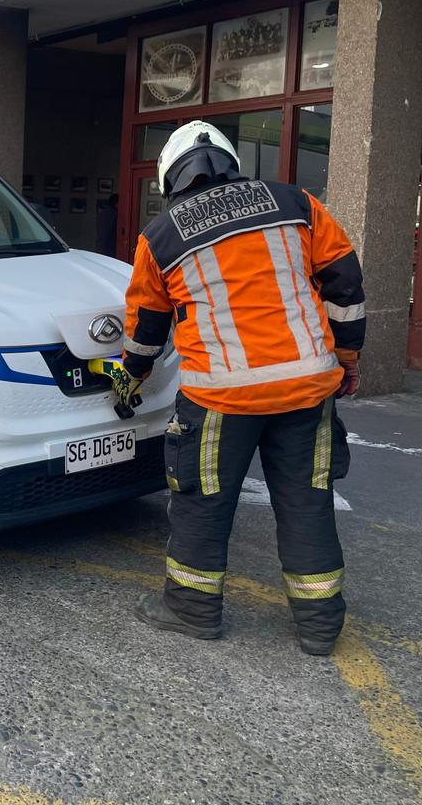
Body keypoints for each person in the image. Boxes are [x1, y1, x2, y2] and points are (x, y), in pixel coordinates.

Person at [112, 121, 364, 656]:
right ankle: (320, 625)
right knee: (307, 499)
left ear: (170, 178)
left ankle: (191, 609)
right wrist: (346, 359)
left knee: (202, 500)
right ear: (230, 162)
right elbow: (344, 282)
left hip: (220, 399)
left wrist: (128, 381)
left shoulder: (160, 236)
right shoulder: (296, 203)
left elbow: (145, 330)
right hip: (306, 387)